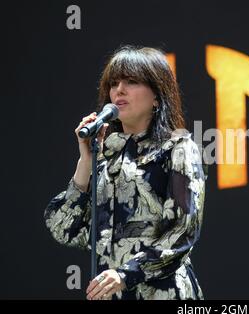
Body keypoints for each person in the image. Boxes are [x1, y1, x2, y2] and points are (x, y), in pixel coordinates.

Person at [44, 45, 207, 300]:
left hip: (163, 293)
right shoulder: (105, 154)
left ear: (157, 95)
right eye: (113, 83)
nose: (119, 89)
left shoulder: (178, 148)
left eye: (131, 81)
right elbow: (63, 228)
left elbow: (182, 231)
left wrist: (125, 274)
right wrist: (86, 160)